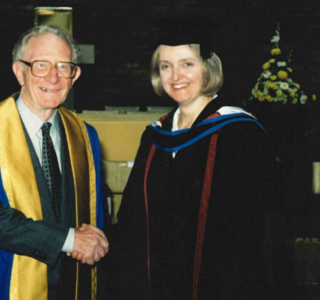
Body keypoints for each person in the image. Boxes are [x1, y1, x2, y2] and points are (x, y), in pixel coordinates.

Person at [108, 19, 293, 299]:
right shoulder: (156, 136)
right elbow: (133, 218)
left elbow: (264, 230)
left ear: (208, 68)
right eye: (165, 65)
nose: (175, 76)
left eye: (187, 64)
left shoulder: (240, 134)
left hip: (222, 286)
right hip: (159, 285)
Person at [0, 25, 109, 300]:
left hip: (70, 281)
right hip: (5, 279)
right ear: (19, 71)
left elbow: (92, 210)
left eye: (64, 66)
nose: (53, 77)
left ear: (75, 75)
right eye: (40, 65)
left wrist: (92, 243)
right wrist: (69, 240)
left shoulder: (84, 134)